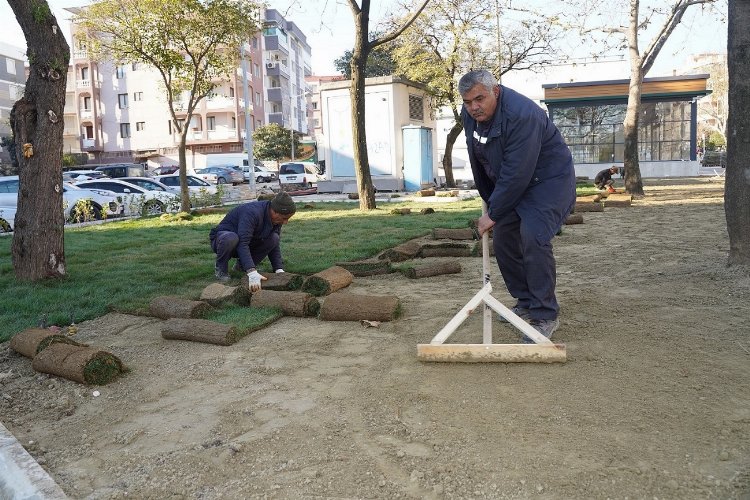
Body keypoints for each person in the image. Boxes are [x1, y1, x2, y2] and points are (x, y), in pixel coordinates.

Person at [459, 69, 576, 341]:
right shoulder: (469, 116)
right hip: (514, 182)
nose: (474, 107)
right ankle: (525, 300)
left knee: (532, 236)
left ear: (495, 91)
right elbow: (480, 158)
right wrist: (490, 201)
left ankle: (545, 315)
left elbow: (517, 171)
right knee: (504, 239)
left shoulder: (523, 115)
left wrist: (495, 211)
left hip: (548, 181)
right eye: (467, 102)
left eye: (479, 99)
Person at [209, 192, 296, 290]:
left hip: (247, 241)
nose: (285, 222)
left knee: (274, 238)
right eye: (284, 218)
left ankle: (241, 266)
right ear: (274, 211)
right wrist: (252, 271)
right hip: (224, 240)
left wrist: (278, 269)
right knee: (231, 238)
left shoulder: (276, 219)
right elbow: (243, 242)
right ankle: (221, 269)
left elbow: (274, 245)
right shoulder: (252, 212)